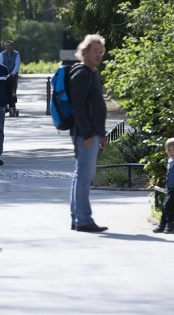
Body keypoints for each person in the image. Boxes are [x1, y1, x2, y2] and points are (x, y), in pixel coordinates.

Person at [68, 34, 108, 232]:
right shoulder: (82, 73)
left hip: (91, 133)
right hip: (85, 134)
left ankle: (78, 218)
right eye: (95, 52)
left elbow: (96, 107)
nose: (98, 56)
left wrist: (101, 133)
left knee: (80, 175)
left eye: (101, 52)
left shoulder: (91, 72)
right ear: (84, 52)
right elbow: (79, 107)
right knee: (84, 176)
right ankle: (83, 220)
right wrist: (87, 134)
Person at [0, 40, 20, 115]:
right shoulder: (2, 54)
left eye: (10, 45)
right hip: (4, 76)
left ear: (12, 46)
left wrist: (13, 73)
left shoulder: (16, 54)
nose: (8, 47)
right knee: (4, 90)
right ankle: (4, 105)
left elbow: (17, 64)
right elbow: (1, 63)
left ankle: (13, 105)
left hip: (13, 76)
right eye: (7, 45)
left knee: (13, 91)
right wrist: (4, 73)